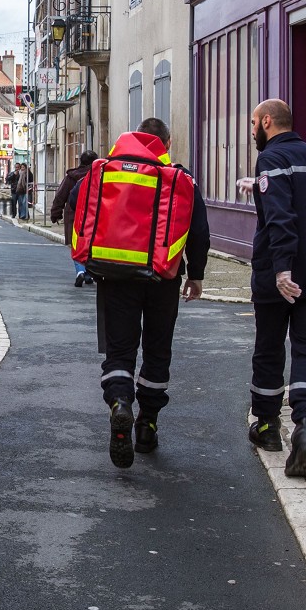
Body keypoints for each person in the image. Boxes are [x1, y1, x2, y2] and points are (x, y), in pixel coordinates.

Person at [92, 118, 209, 468]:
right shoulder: (179, 178)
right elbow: (199, 231)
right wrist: (197, 274)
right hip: (164, 278)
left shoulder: (109, 171)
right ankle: (146, 424)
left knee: (120, 350)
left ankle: (119, 402)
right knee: (158, 350)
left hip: (115, 276)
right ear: (166, 143)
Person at [238, 99, 306, 478]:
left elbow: (283, 218)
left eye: (253, 123)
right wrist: (260, 188)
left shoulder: (270, 159)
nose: (252, 131)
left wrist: (281, 270)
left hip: (279, 275)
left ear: (267, 121)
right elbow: (302, 202)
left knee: (268, 347)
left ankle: (266, 427)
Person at [49, 151, 96, 286]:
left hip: (73, 214)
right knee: (90, 245)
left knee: (76, 245)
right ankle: (88, 273)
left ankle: (80, 271)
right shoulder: (98, 176)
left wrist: (55, 214)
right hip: (92, 215)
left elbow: (60, 196)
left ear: (80, 161)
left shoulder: (71, 177)